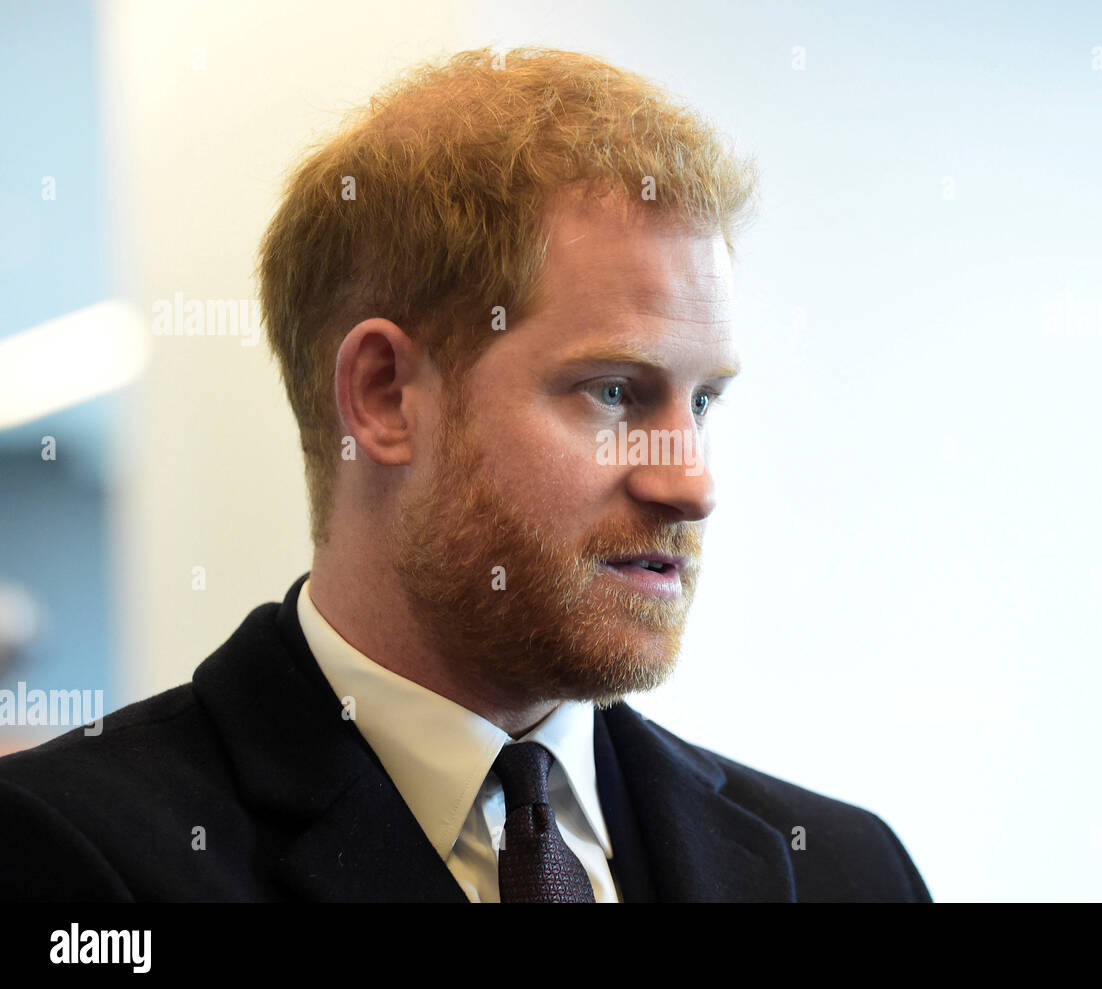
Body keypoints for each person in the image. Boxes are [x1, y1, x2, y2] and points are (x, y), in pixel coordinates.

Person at [0, 46, 930, 902]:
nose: (690, 484)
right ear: (386, 396)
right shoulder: (69, 860)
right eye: (614, 392)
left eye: (704, 403)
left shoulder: (846, 869)